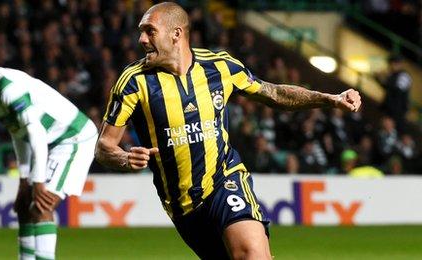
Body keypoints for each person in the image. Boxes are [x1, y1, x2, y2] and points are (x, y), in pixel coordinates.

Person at [94, 2, 362, 259]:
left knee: (253, 255)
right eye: (141, 31)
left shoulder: (220, 66)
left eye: (149, 30)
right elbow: (104, 146)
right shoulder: (133, 82)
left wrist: (330, 98)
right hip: (183, 206)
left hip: (225, 179)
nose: (141, 39)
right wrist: (125, 158)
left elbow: (274, 93)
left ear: (176, 34)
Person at [0, 46, 98, 260]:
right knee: (25, 206)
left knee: (41, 206)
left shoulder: (9, 90)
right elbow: (18, 133)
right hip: (50, 142)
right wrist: (24, 180)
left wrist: (38, 181)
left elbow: (36, 133)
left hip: (72, 138)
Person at [380, 54, 412, 133]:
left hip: (398, 112)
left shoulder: (404, 76)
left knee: (396, 133)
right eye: (391, 63)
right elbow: (388, 89)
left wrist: (385, 81)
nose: (392, 66)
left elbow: (398, 91)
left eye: (394, 63)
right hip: (389, 110)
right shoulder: (392, 75)